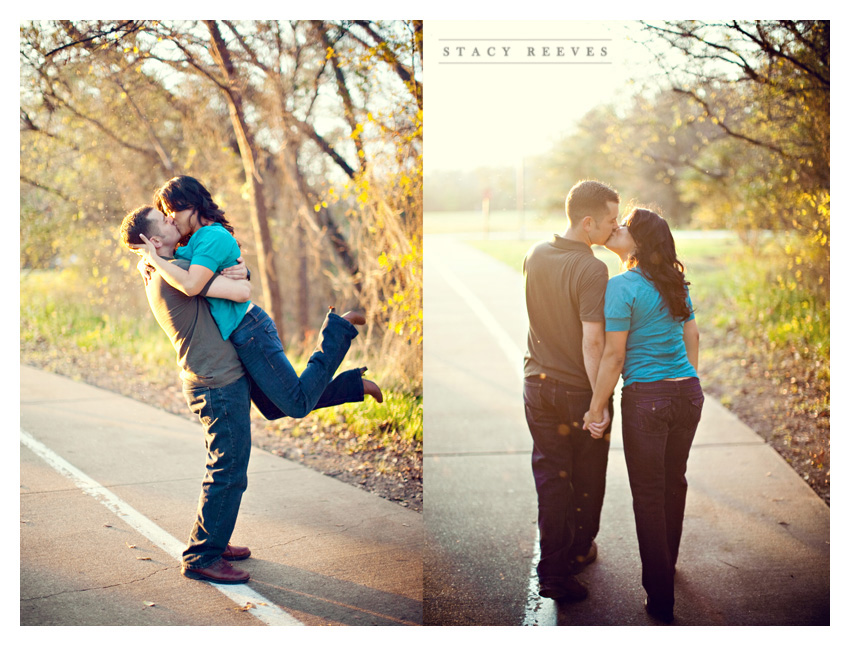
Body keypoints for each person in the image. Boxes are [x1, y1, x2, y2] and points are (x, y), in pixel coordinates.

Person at [119, 206, 373, 584]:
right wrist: (164, 262)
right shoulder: (168, 276)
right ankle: (202, 556)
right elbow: (213, 285)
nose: (173, 220)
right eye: (165, 220)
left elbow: (223, 276)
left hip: (224, 376)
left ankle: (214, 541)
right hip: (216, 384)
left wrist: (241, 270)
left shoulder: (172, 266)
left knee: (276, 407)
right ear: (154, 241)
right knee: (228, 470)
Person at [132, 175, 383, 418]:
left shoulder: (211, 236)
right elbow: (180, 261)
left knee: (296, 404)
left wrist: (153, 258)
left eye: (170, 210)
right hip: (238, 334)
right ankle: (355, 386)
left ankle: (338, 330)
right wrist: (145, 260)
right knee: (273, 408)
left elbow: (191, 283)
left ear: (190, 205)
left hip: (250, 330)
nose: (169, 219)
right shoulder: (194, 240)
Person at [583, 207, 702, 623]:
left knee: (649, 496)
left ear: (639, 242)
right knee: (674, 483)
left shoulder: (622, 287)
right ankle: (665, 567)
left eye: (625, 228)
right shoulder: (674, 281)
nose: (618, 229)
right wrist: (684, 378)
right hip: (688, 395)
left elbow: (614, 355)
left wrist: (596, 408)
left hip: (647, 400)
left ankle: (661, 597)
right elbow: (692, 335)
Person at [522, 179, 620, 602]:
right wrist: (599, 403)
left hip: (535, 386)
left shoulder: (535, 252)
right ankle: (577, 552)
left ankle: (553, 569)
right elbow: (593, 341)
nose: (614, 228)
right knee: (587, 477)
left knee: (551, 479)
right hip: (577, 390)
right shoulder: (592, 268)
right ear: (587, 222)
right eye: (610, 221)